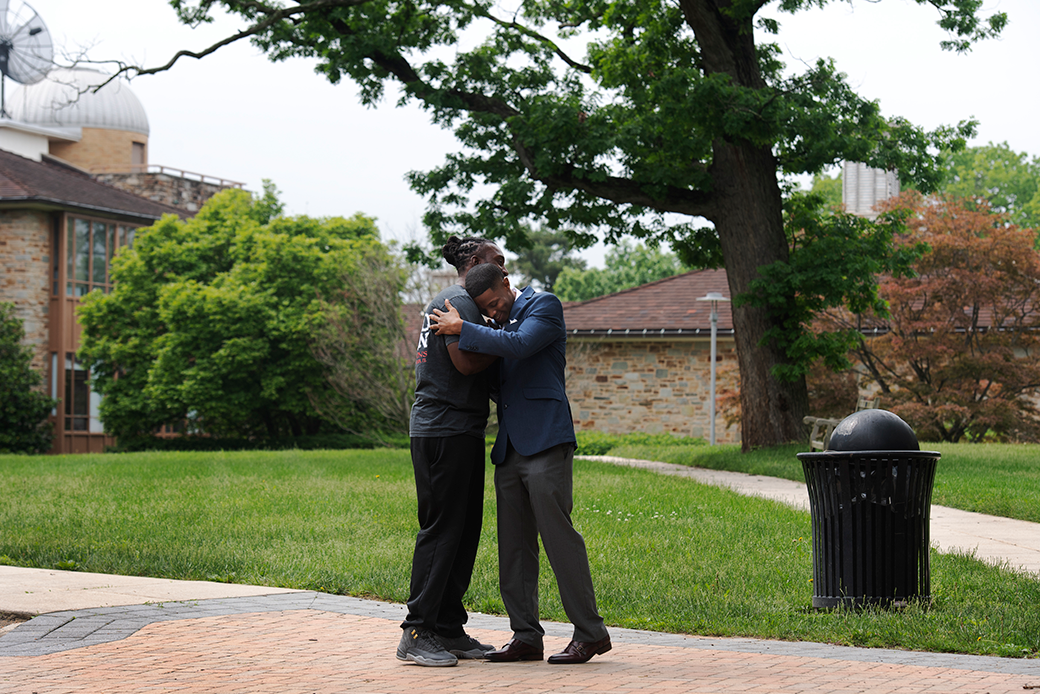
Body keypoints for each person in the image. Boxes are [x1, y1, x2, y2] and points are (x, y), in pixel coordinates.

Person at [429, 262, 611, 665]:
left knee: (559, 539)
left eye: (495, 303)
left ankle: (591, 633)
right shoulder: (495, 326)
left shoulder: (544, 306)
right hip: (509, 448)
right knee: (512, 547)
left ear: (507, 284)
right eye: (485, 310)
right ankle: (526, 635)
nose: (493, 313)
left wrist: (467, 329)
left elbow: (522, 345)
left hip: (547, 440)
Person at [397, 236, 506, 667]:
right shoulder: (456, 300)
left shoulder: (456, 300)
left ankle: (446, 627)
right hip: (444, 428)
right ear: (477, 262)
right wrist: (505, 343)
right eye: (497, 262)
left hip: (456, 429)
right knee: (443, 531)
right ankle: (417, 631)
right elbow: (464, 363)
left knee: (463, 530)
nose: (503, 270)